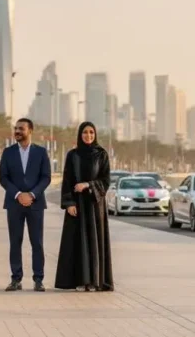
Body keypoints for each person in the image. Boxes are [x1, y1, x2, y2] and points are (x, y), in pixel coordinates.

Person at [54, 121, 114, 292]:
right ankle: (80, 281)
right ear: (80, 135)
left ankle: (94, 281)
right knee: (78, 243)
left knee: (94, 242)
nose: (88, 136)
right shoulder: (73, 155)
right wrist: (69, 203)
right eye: (85, 133)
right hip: (77, 206)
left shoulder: (101, 154)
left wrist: (87, 184)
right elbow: (67, 181)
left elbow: (106, 180)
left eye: (91, 133)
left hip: (95, 206)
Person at [0, 118, 52, 292]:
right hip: (14, 204)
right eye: (16, 128)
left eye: (21, 128)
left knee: (37, 242)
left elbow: (46, 177)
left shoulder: (41, 152)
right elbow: (3, 177)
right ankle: (16, 279)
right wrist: (18, 194)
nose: (17, 131)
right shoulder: (8, 153)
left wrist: (31, 194)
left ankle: (38, 279)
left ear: (30, 130)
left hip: (35, 204)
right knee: (15, 242)